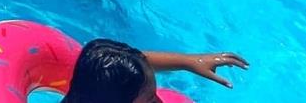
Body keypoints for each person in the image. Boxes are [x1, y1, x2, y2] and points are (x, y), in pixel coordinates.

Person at [61, 39, 248, 103]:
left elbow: (123, 63)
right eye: (150, 99)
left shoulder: (90, 88)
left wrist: (189, 61)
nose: (160, 101)